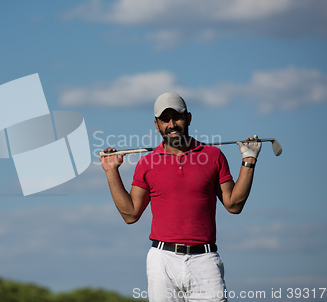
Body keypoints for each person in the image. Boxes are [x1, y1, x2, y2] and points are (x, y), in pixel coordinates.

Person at [99, 92, 261, 302]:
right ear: (156, 125)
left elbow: (234, 204)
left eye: (177, 117)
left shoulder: (213, 156)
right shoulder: (147, 163)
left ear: (189, 118)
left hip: (205, 259)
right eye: (165, 120)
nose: (172, 124)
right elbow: (130, 214)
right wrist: (111, 172)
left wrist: (248, 161)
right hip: (162, 260)